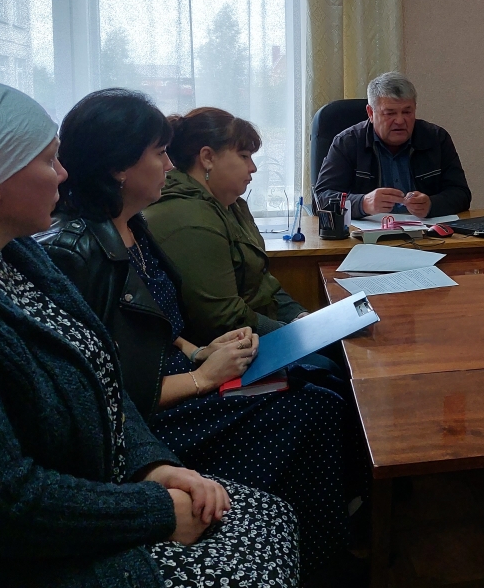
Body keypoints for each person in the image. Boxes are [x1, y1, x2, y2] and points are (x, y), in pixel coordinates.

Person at [0, 78, 298, 588]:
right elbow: (4, 505)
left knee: (271, 517)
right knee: (254, 549)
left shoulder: (18, 255)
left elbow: (105, 382)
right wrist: (155, 508)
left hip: (108, 485)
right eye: (48, 160)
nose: (64, 174)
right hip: (35, 552)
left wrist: (155, 468)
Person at [38, 89, 349, 578]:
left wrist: (200, 348)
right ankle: (317, 558)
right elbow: (104, 395)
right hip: (151, 419)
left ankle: (319, 546)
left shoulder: (132, 225)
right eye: (159, 153)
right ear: (120, 166)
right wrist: (204, 376)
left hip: (182, 375)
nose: (169, 165)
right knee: (315, 408)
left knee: (318, 388)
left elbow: (161, 325)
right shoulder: (73, 254)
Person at [143, 107, 304, 344]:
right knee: (333, 366)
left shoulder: (232, 204)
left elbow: (262, 283)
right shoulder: (189, 219)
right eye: (244, 156)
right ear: (208, 157)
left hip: (251, 334)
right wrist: (296, 337)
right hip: (222, 350)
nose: (253, 168)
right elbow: (223, 319)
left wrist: (300, 317)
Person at [314, 71, 472, 219]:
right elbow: (320, 199)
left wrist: (432, 205)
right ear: (370, 113)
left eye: (407, 112)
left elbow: (461, 194)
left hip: (426, 237)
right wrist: (363, 203)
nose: (400, 121)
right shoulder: (348, 142)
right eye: (390, 113)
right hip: (366, 241)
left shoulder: (436, 139)